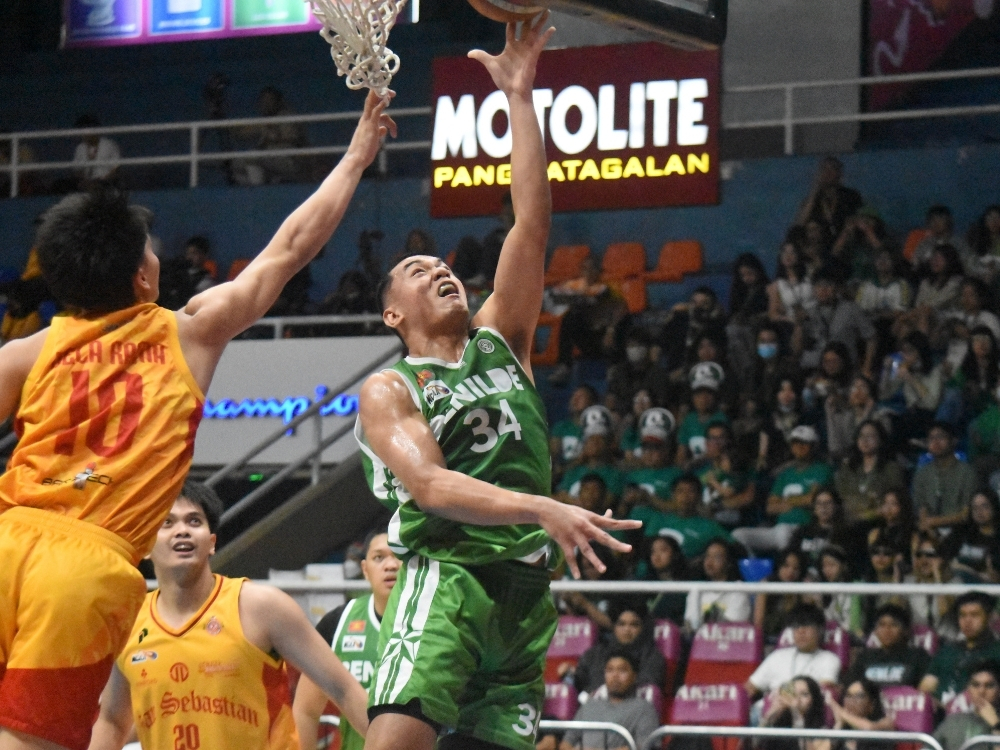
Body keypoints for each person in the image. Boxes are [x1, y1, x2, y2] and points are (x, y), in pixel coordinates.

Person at [0, 91, 395, 750]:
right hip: (84, 567)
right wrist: (356, 155)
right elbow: (290, 248)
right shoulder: (191, 332)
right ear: (142, 280)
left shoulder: (23, 352)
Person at [355, 18, 640, 750]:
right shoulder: (392, 389)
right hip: (447, 577)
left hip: (522, 590)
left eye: (443, 265)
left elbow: (531, 226)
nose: (440, 269)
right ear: (394, 312)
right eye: (418, 272)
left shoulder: (500, 341)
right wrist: (542, 506)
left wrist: (518, 95)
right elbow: (433, 488)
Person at [88, 484, 371, 750]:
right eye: (167, 523)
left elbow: (343, 689)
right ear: (146, 545)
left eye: (194, 521)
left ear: (211, 543)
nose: (182, 531)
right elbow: (113, 720)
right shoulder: (130, 621)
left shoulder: (261, 606)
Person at [293, 528, 400, 750]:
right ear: (365, 569)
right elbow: (305, 710)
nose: (390, 565)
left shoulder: (437, 622)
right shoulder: (337, 624)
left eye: (399, 555)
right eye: (379, 557)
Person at [733, 425, 832, 555]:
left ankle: (786, 569)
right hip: (778, 528)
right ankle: (756, 569)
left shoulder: (821, 469)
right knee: (738, 535)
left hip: (803, 527)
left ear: (813, 446)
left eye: (804, 443)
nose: (799, 447)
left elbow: (812, 499)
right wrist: (798, 501)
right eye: (795, 443)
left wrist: (785, 501)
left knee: (784, 535)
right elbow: (770, 507)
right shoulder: (785, 474)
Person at [556, 650, 659, 750]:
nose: (615, 676)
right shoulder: (589, 706)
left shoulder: (644, 709)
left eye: (622, 670)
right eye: (609, 670)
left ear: (634, 676)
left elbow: (645, 746)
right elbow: (565, 744)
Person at [746, 604, 842, 705]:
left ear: (820, 630)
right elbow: (749, 688)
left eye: (806, 625)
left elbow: (820, 693)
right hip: (767, 710)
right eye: (796, 626)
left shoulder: (829, 659)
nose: (801, 631)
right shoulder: (778, 656)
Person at [919, 592, 1000, 702]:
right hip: (940, 714)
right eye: (963, 615)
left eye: (974, 615)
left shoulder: (996, 651)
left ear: (989, 617)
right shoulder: (947, 650)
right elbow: (926, 688)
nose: (967, 621)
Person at [573, 602, 666, 696]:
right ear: (614, 627)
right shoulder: (595, 654)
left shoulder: (652, 657)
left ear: (643, 628)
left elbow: (646, 687)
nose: (627, 630)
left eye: (634, 625)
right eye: (621, 624)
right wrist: (570, 675)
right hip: (591, 706)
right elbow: (579, 683)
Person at [631, 473, 733, 558]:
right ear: (673, 495)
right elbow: (646, 550)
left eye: (691, 491)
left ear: (699, 496)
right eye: (680, 491)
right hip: (648, 579)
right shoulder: (659, 519)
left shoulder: (709, 526)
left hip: (688, 579)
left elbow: (735, 547)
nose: (685, 496)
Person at [796, 268, 876, 376]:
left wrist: (866, 368)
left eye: (828, 285)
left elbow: (871, 338)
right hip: (815, 368)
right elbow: (796, 350)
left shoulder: (851, 309)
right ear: (814, 289)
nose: (823, 290)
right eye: (819, 286)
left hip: (845, 369)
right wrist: (798, 325)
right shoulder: (808, 313)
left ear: (837, 288)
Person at [834, 420, 905, 525]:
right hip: (849, 522)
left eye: (870, 436)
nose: (865, 440)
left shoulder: (891, 468)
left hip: (879, 522)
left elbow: (895, 500)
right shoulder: (848, 467)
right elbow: (841, 496)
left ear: (880, 440)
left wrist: (869, 514)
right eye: (861, 436)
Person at [843, 603, 930, 688]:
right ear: (875, 631)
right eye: (882, 625)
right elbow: (851, 687)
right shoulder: (865, 657)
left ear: (905, 630)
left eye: (894, 625)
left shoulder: (918, 657)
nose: (887, 630)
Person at [912, 422, 977, 533]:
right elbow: (921, 507)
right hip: (929, 530)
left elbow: (967, 514)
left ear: (953, 441)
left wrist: (934, 522)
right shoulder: (922, 473)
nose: (936, 442)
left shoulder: (967, 472)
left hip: (959, 531)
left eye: (941, 437)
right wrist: (927, 526)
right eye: (931, 438)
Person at [556, 405, 624, 505]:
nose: (595, 443)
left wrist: (574, 503)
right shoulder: (574, 471)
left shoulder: (614, 474)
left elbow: (605, 503)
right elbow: (560, 496)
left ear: (608, 444)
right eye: (591, 439)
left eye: (599, 439)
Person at [684, 539, 751, 631]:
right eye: (707, 556)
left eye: (717, 557)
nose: (709, 562)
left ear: (728, 563)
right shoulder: (696, 589)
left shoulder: (738, 590)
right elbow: (690, 627)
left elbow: (733, 629)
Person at [794, 156, 864, 242]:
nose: (827, 173)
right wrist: (815, 190)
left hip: (846, 243)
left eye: (832, 169)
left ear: (839, 173)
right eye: (824, 169)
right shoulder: (813, 200)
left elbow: (860, 219)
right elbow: (799, 225)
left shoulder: (851, 195)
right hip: (821, 245)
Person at [933, 660, 1000, 750]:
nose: (981, 691)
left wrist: (996, 725)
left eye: (989, 685)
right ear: (968, 689)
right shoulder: (953, 721)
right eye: (975, 685)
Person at [901, 532, 959, 633]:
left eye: (930, 555)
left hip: (947, 642)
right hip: (919, 642)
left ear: (941, 558)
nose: (924, 560)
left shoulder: (955, 582)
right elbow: (896, 612)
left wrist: (937, 577)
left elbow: (943, 610)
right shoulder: (910, 582)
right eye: (920, 555)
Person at [940, 489, 1000, 584]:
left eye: (984, 506)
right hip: (956, 583)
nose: (979, 512)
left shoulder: (997, 538)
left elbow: (994, 576)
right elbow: (944, 559)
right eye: (975, 508)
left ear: (994, 507)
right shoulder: (961, 531)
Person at [676, 362, 729, 466]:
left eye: (708, 393)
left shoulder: (721, 418)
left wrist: (694, 463)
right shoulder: (689, 419)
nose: (703, 398)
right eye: (699, 394)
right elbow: (681, 452)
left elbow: (719, 452)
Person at [789, 490, 852, 577]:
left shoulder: (846, 534)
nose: (823, 507)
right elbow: (792, 556)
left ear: (836, 506)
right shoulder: (801, 532)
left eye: (828, 503)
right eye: (819, 503)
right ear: (814, 508)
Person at [760, 676, 831, 750]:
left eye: (804, 694)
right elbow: (756, 743)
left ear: (814, 700)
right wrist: (773, 711)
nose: (797, 698)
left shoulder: (821, 731)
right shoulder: (779, 724)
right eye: (794, 693)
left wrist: (796, 713)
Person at [754, 548, 809, 641]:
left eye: (796, 568)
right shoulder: (766, 585)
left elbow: (808, 624)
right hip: (768, 639)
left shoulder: (804, 589)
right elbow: (758, 623)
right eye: (786, 566)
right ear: (779, 566)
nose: (791, 571)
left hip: (796, 640)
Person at [828, 678, 894, 750]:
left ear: (872, 703)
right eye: (848, 695)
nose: (851, 701)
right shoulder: (844, 726)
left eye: (859, 696)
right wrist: (839, 723)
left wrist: (842, 713)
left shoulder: (886, 723)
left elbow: (869, 728)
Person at [635, 535, 688, 624]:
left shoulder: (686, 584)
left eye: (663, 550)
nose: (657, 556)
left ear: (675, 554)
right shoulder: (642, 584)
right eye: (653, 551)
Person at [72, 114, 121, 188]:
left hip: (106, 187)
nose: (83, 135)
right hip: (86, 188)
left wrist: (101, 182)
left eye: (85, 131)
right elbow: (77, 170)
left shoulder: (109, 145)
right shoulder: (80, 148)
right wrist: (85, 182)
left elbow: (116, 169)